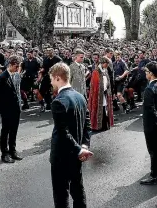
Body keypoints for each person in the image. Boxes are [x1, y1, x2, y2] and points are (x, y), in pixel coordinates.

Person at [49, 62, 93, 208]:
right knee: (78, 191)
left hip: (62, 156)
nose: (51, 82)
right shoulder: (80, 97)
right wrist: (83, 146)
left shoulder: (59, 101)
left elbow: (62, 132)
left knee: (61, 195)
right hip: (77, 154)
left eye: (51, 79)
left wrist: (79, 149)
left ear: (57, 78)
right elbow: (87, 125)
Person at [0, 55, 23, 163]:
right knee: (5, 131)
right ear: (10, 65)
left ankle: (13, 150)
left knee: (14, 130)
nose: (17, 68)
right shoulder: (1, 77)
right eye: (16, 66)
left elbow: (18, 91)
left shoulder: (16, 75)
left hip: (16, 108)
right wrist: (2, 111)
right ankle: (4, 153)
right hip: (6, 110)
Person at [88, 55, 114, 131]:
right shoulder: (96, 72)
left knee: (104, 108)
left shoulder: (105, 71)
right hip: (98, 94)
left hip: (105, 94)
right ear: (102, 63)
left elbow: (107, 82)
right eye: (106, 63)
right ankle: (97, 126)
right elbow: (94, 85)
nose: (107, 65)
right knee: (99, 109)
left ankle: (105, 125)